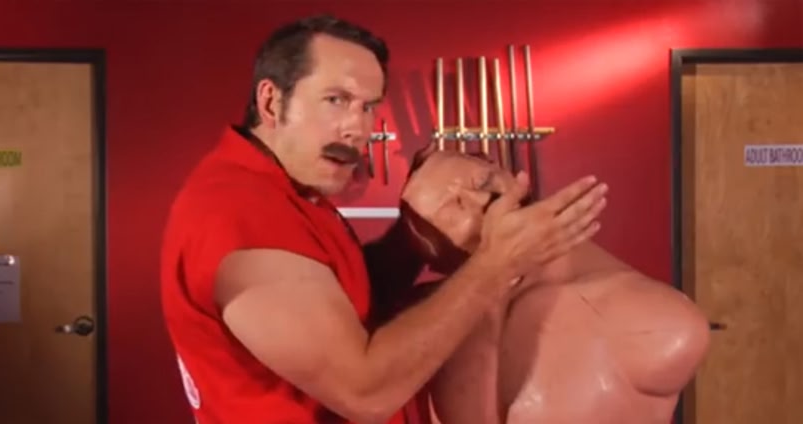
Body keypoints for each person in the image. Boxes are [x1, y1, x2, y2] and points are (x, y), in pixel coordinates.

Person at [160, 14, 609, 424]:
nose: (358, 128)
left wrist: (409, 243)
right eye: (336, 100)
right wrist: (498, 263)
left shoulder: (288, 189)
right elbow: (364, 393)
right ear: (272, 102)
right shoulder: (240, 214)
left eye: (368, 106)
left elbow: (337, 303)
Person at [397, 150, 711, 424]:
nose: (483, 201)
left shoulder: (657, 320)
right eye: (453, 206)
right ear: (432, 250)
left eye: (482, 182)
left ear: (509, 174)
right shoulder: (428, 327)